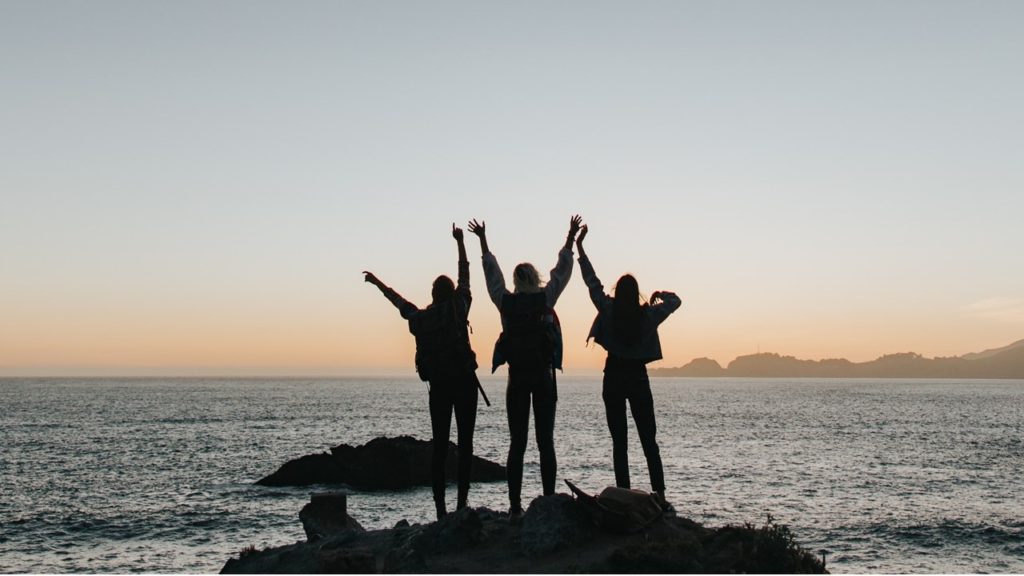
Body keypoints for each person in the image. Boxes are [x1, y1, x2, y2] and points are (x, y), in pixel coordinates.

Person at [467, 215, 583, 518]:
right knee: (546, 441)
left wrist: (483, 241)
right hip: (544, 378)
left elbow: (492, 277)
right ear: (536, 278)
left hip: (516, 379)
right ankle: (546, 500)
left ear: (517, 281)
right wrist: (570, 236)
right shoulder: (547, 298)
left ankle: (515, 506)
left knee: (517, 443)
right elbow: (563, 271)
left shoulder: (506, 303)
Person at [363, 224, 481, 519]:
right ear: (451, 292)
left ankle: (440, 508)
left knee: (439, 446)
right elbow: (465, 276)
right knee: (465, 444)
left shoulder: (422, 319)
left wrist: (378, 284)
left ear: (432, 293)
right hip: (465, 383)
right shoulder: (459, 308)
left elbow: (399, 303)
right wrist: (460, 243)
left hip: (439, 387)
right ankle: (462, 502)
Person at [575, 224, 681, 510]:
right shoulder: (649, 314)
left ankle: (622, 494)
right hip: (638, 377)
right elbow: (676, 301)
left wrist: (580, 247)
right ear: (636, 293)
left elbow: (591, 282)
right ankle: (659, 495)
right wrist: (660, 293)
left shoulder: (607, 308)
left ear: (617, 291)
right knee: (649, 440)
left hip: (613, 375)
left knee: (619, 440)